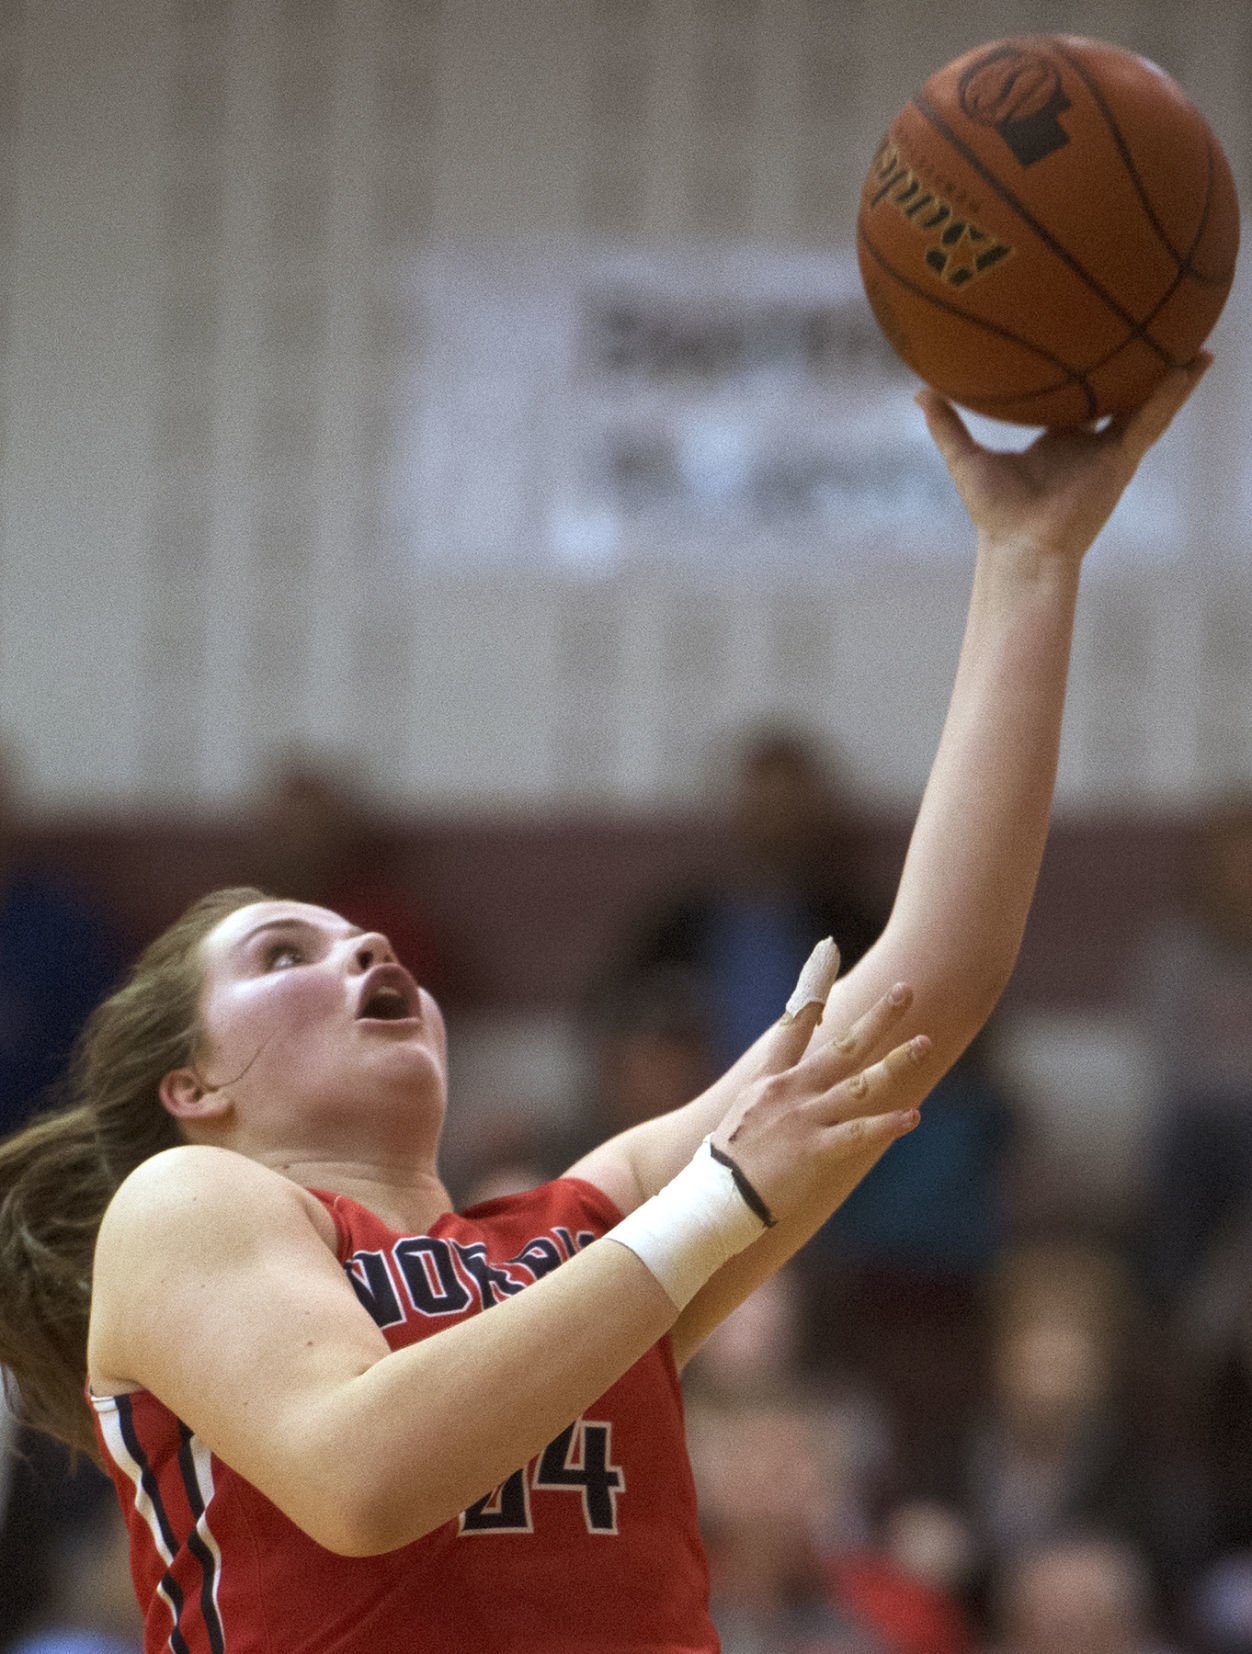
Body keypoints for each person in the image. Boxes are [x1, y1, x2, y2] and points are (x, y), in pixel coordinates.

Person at [0, 360, 1207, 1654]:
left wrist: (1031, 559)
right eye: (287, 951)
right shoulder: (183, 1205)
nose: (358, 952)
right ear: (195, 1087)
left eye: (362, 935)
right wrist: (713, 1207)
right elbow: (362, 1474)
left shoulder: (574, 1226)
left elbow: (933, 986)